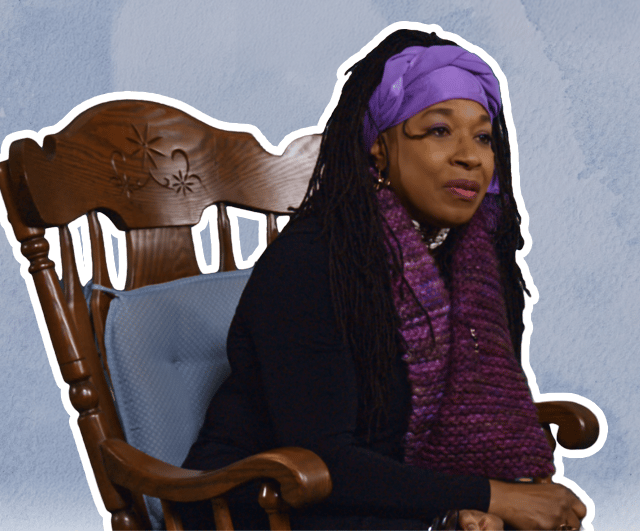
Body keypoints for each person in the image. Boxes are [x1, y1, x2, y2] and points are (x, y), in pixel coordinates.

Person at [179, 29, 587, 530]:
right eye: (439, 131)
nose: (470, 156)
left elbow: (464, 430)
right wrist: (487, 497)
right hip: (266, 502)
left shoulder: (479, 269)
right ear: (378, 146)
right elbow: (323, 459)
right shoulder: (312, 260)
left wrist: (480, 501)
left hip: (385, 498)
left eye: (483, 137)